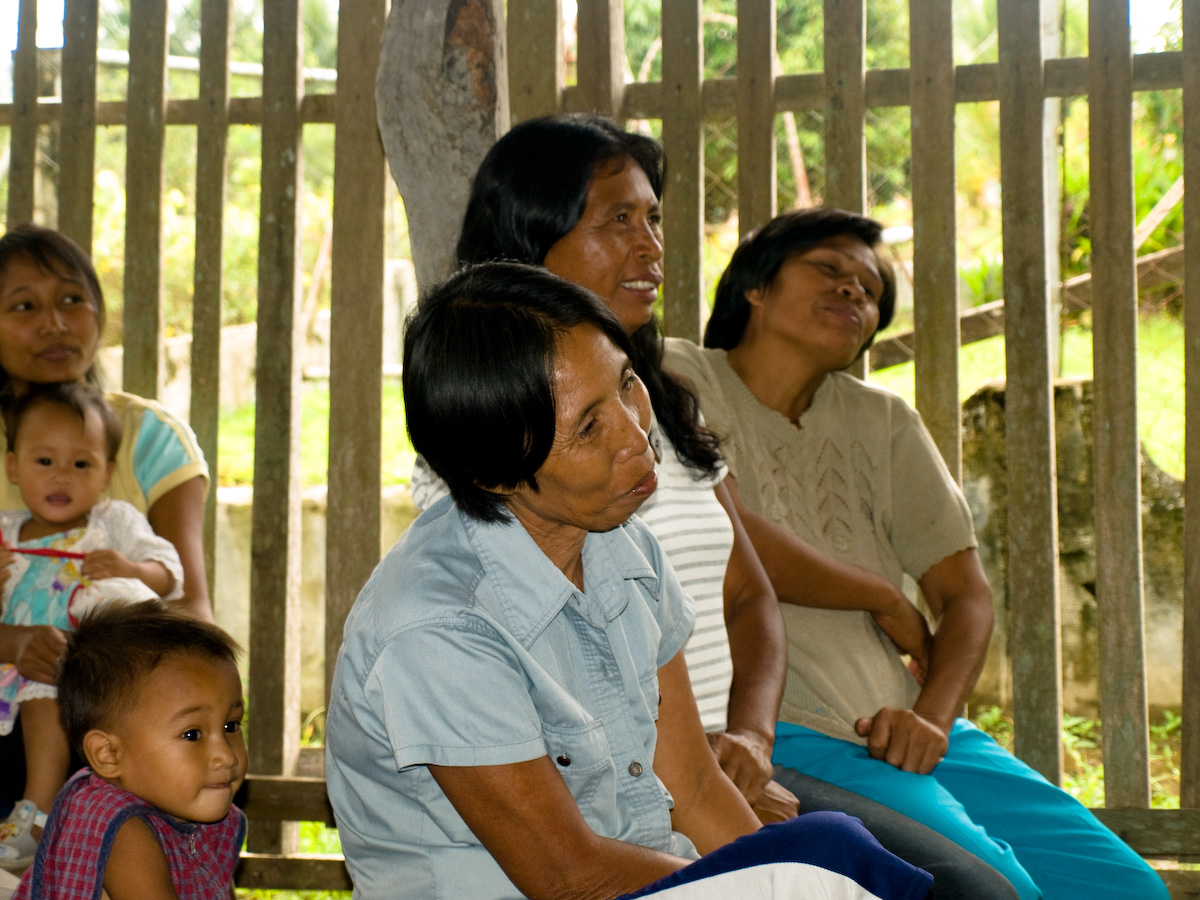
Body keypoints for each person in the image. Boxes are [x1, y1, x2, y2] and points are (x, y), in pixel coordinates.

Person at [409, 113, 1019, 900]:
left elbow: (748, 590)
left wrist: (750, 740)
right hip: (616, 781)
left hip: (720, 756)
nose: (650, 244)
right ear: (532, 234)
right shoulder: (487, 442)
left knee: (945, 881)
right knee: (957, 888)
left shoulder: (661, 400)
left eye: (654, 217)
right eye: (617, 219)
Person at [326, 262, 933, 900]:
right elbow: (569, 877)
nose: (637, 437)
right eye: (589, 427)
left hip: (646, 881)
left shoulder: (621, 544)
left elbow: (695, 791)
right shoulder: (439, 629)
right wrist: (774, 887)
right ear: (495, 473)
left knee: (830, 851)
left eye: (627, 384)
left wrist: (779, 873)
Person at [664, 206, 1170, 900]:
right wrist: (881, 595)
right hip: (786, 728)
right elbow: (730, 531)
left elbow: (966, 597)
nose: (853, 293)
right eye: (829, 271)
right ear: (754, 285)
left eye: (869, 291)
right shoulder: (678, 375)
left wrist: (931, 718)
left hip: (905, 728)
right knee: (1002, 890)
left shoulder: (885, 421)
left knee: (1127, 887)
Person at [0, 224, 212, 808]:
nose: (55, 323)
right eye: (24, 306)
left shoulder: (149, 435)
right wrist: (15, 640)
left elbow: (190, 605)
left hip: (130, 692)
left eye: (73, 300)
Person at [0, 382, 183, 867]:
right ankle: (33, 815)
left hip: (95, 666)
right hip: (24, 673)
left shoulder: (112, 523)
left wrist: (130, 568)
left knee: (59, 689)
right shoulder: (3, 534)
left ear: (105, 474)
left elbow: (169, 574)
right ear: (13, 466)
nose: (62, 476)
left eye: (81, 464)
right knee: (41, 691)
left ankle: (47, 816)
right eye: (45, 462)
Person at [14, 600, 246, 899]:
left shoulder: (198, 810)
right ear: (108, 754)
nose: (226, 756)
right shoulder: (121, 829)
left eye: (231, 726)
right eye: (192, 734)